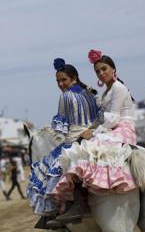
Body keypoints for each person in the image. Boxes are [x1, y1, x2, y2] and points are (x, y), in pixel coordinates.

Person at [50, 50, 138, 227]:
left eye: (104, 69)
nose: (101, 73)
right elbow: (101, 117)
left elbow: (113, 117)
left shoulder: (118, 88)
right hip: (111, 127)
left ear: (113, 69)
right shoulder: (103, 92)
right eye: (98, 71)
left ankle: (75, 203)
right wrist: (91, 128)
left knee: (78, 153)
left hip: (121, 127)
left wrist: (94, 132)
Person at [26, 58, 99, 228]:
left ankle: (59, 210)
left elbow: (61, 128)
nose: (60, 84)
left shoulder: (66, 96)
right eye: (58, 81)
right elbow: (99, 117)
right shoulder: (89, 93)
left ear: (73, 79)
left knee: (50, 170)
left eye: (63, 80)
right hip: (93, 136)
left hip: (74, 139)